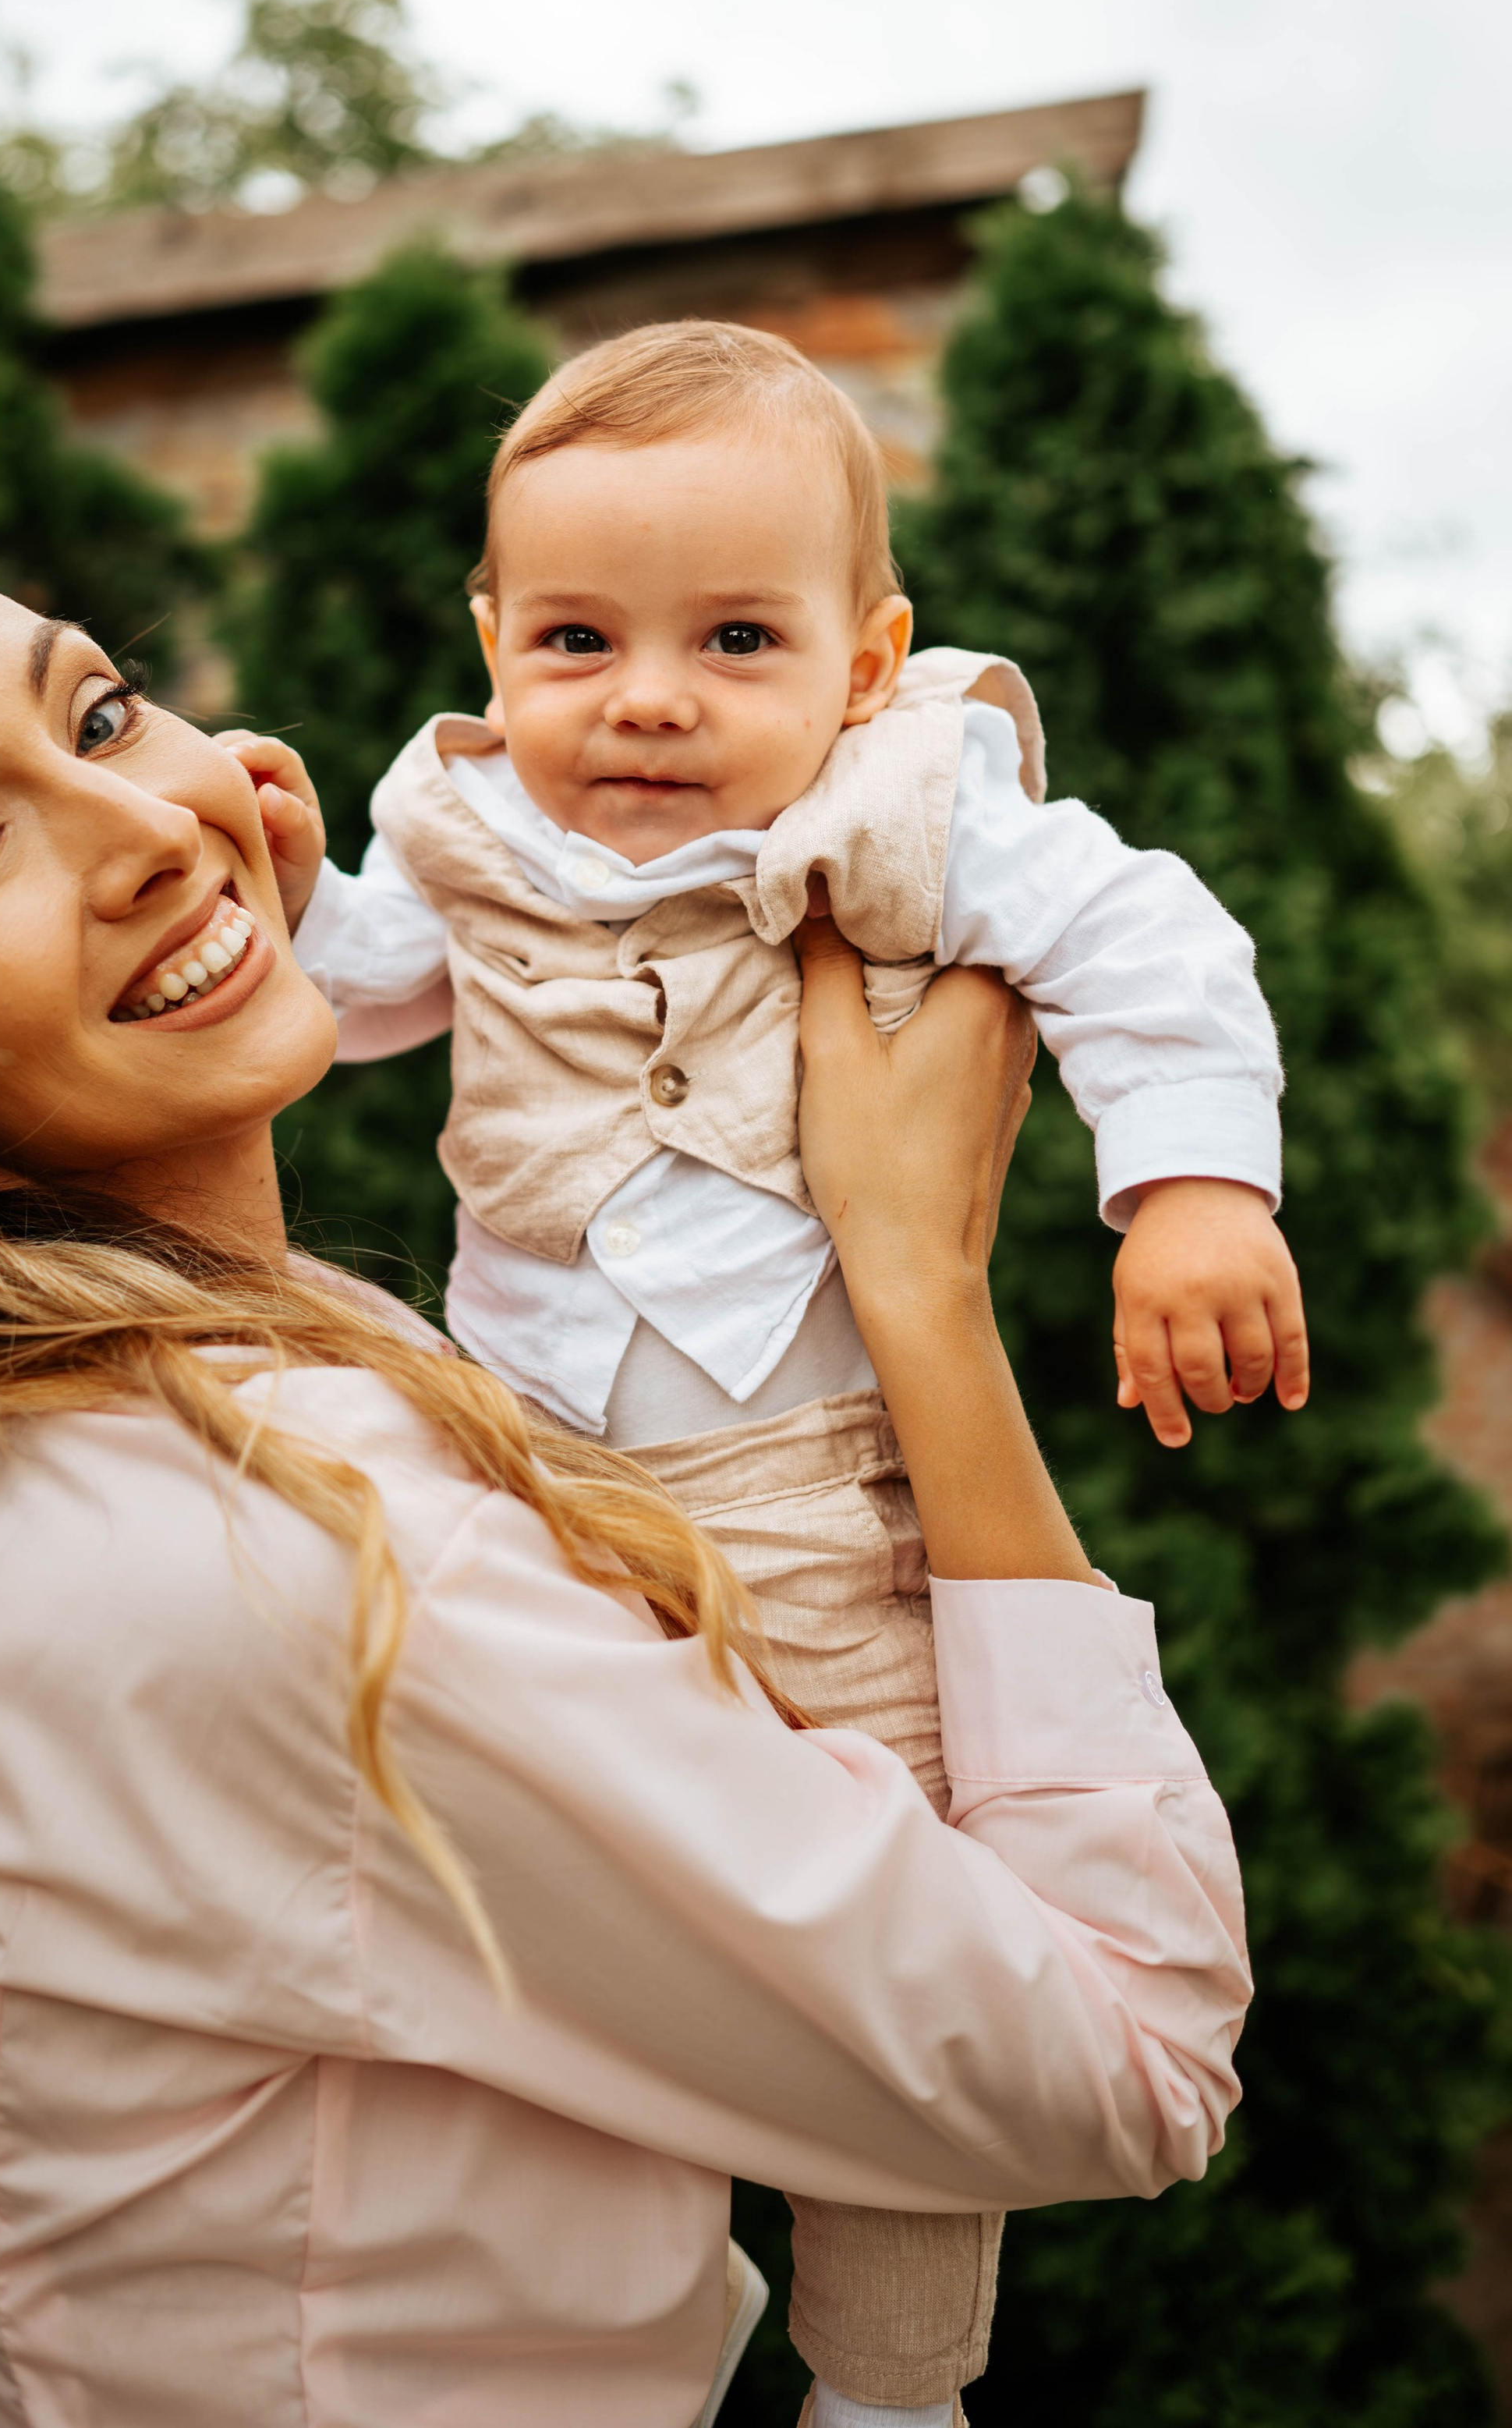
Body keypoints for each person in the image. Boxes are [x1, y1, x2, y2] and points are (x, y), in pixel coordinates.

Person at [0, 547, 1250, 2428]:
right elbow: (1124, 2053)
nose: (149, 827)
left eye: (101, 715)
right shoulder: (290, 1553)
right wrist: (914, 1281)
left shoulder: (21, 1446)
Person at [253, 318, 1302, 2419]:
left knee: (908, 1930)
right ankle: (598, 2315)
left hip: (814, 1500)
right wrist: (291, 898)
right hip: (523, 1481)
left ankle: (891, 2381)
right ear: (492, 638)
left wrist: (1191, 1189)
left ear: (862, 656)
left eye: (736, 637)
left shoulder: (905, 795)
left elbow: (1144, 936)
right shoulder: (460, 820)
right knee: (550, 1917)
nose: (647, 695)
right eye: (575, 637)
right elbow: (360, 996)